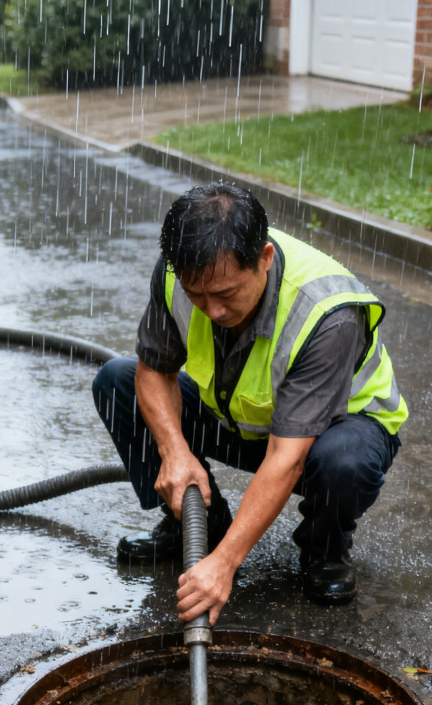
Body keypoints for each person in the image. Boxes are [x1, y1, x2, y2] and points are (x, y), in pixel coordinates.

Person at [92, 182, 407, 625]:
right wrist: (175, 453)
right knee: (117, 381)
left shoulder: (327, 313)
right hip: (243, 417)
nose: (212, 311)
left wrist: (224, 565)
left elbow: (287, 457)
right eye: (197, 295)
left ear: (264, 259)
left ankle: (325, 550)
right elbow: (154, 372)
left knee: (343, 461)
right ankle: (197, 523)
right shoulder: (177, 269)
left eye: (226, 294)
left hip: (329, 434)